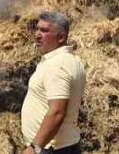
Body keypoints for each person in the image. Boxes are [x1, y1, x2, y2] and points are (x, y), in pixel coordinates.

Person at [21, 11, 86, 154]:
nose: (37, 35)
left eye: (44, 31)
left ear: (61, 37)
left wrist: (34, 148)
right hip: (62, 146)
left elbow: (57, 112)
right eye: (37, 29)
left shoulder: (57, 65)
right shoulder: (72, 60)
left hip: (51, 149)